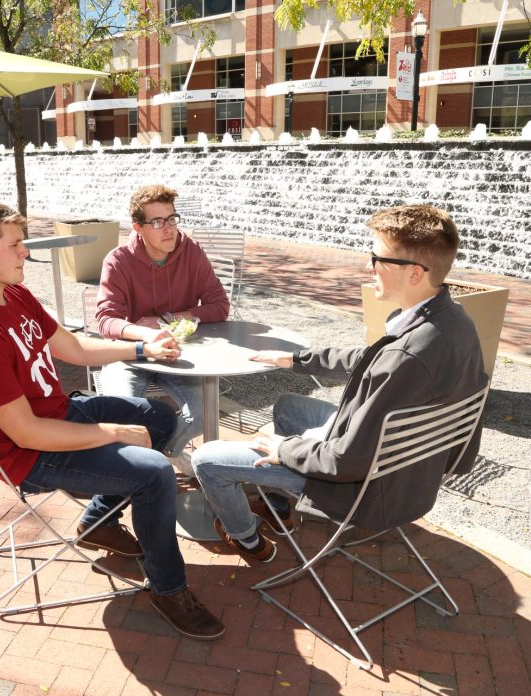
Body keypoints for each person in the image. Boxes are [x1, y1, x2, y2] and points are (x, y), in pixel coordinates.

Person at [0, 200, 224, 640]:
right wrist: (111, 433)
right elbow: (25, 432)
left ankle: (97, 521)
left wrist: (143, 349)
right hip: (31, 455)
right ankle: (168, 589)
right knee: (153, 473)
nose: (25, 254)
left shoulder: (13, 294)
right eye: (15, 245)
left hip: (59, 414)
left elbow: (74, 350)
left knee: (160, 419)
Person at [191, 204, 487, 563]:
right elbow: (371, 359)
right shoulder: (452, 320)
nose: (369, 266)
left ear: (414, 273)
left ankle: (247, 539)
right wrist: (296, 359)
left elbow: (345, 461)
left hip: (363, 490)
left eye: (377, 258)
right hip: (411, 472)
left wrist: (285, 449)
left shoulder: (407, 359)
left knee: (206, 459)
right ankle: (279, 506)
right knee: (288, 405)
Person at [96, 184, 230, 475]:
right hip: (131, 355)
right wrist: (145, 333)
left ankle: (164, 451)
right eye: (157, 222)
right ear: (138, 227)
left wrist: (171, 318)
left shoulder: (191, 251)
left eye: (171, 219)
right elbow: (106, 321)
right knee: (123, 416)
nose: (168, 229)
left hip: (179, 354)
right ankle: (144, 473)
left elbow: (219, 305)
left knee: (206, 410)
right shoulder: (118, 261)